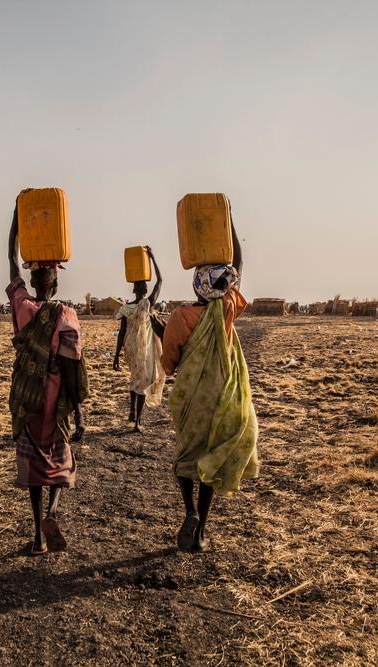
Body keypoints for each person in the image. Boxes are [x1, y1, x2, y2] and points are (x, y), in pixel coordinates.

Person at [161, 217, 259, 552]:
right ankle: (201, 529)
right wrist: (228, 222)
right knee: (210, 462)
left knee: (187, 456)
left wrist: (171, 367)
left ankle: (188, 510)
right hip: (223, 394)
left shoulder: (181, 317)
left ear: (195, 287)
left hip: (192, 397)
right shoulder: (227, 308)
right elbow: (238, 268)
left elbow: (169, 359)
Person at [6, 198, 88, 556]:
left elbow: (11, 263)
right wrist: (79, 412)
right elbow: (72, 366)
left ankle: (38, 537)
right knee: (59, 455)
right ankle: (53, 513)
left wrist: (16, 221)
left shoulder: (23, 308)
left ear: (35, 280)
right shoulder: (67, 316)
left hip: (28, 397)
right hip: (55, 399)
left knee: (33, 464)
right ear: (54, 285)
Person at [113, 246, 165, 432]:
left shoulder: (127, 308)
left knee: (136, 379)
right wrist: (152, 258)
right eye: (142, 286)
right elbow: (159, 281)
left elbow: (121, 333)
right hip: (142, 348)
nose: (143, 288)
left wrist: (117, 354)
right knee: (145, 380)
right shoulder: (146, 304)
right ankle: (138, 421)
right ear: (140, 289)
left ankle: (132, 414)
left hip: (131, 348)